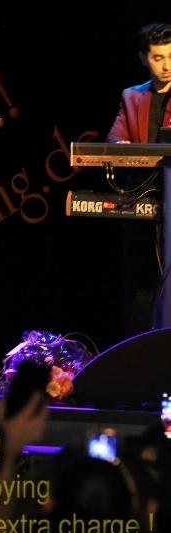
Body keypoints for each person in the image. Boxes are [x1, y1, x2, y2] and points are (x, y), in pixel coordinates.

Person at [107, 22, 171, 333]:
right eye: (158, 58)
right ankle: (140, 349)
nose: (167, 65)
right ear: (144, 58)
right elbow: (114, 139)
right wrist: (121, 145)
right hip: (141, 199)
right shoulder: (132, 96)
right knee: (141, 284)